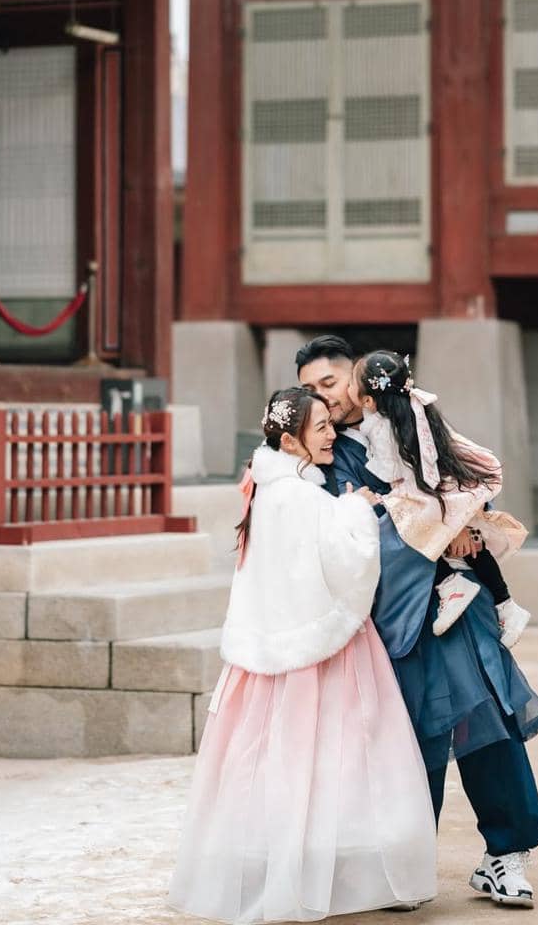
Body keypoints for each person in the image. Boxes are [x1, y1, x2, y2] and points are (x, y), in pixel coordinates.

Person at [298, 335, 538, 910]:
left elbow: (458, 481)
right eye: (310, 389)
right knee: (409, 738)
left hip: (457, 602)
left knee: (488, 718)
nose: (324, 396)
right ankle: (405, 864)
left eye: (330, 383)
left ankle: (506, 852)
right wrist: (436, 531)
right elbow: (343, 534)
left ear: (357, 380)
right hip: (391, 613)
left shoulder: (408, 420)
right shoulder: (323, 453)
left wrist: (463, 521)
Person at [168, 386, 437, 924]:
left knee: (275, 759)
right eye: (321, 428)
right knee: (345, 752)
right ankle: (343, 876)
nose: (332, 434)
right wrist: (358, 510)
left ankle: (283, 867)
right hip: (324, 646)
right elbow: (348, 563)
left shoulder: (266, 491)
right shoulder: (305, 498)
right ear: (291, 441)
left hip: (270, 646)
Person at [349, 349, 532, 648]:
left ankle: (455, 586)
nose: (346, 388)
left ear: (368, 401)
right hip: (445, 487)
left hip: (430, 491)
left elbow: (391, 472)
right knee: (462, 544)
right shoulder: (413, 410)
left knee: (411, 529)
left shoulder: (385, 429)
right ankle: (504, 604)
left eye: (349, 383)